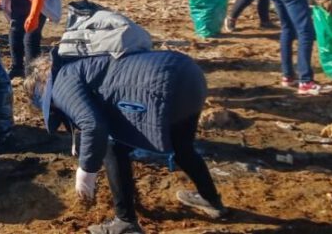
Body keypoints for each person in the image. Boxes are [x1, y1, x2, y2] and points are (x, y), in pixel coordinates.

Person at [25, 49, 227, 234]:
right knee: (182, 146)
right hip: (188, 73)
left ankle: (125, 222)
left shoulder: (60, 82)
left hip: (161, 87)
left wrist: (86, 170)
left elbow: (94, 125)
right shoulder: (82, 63)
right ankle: (211, 200)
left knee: (113, 148)